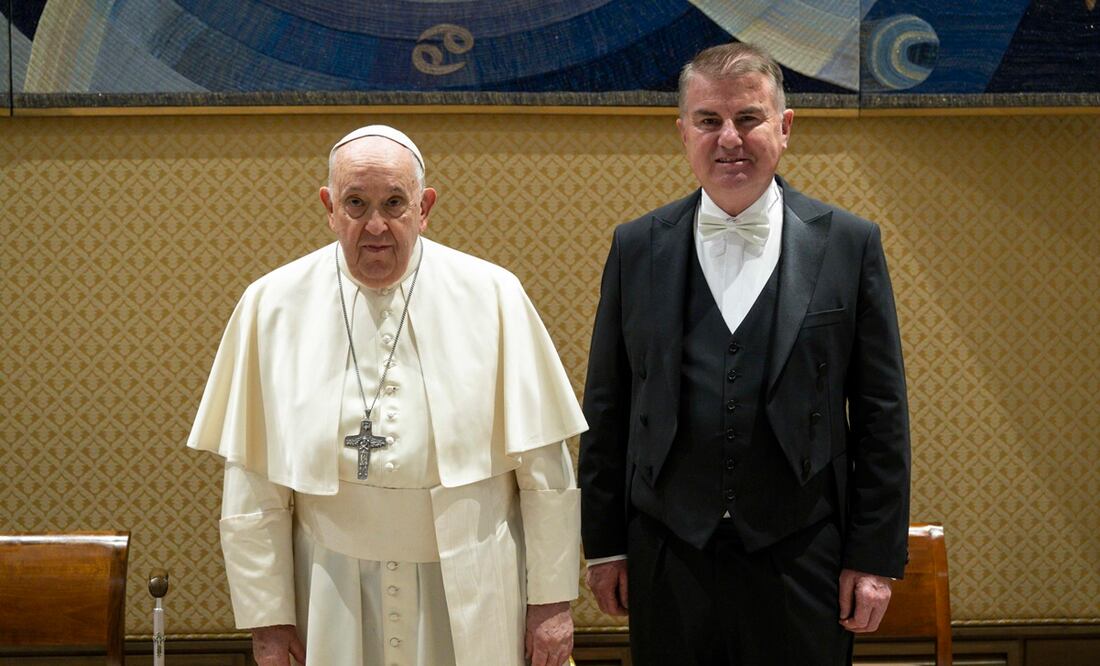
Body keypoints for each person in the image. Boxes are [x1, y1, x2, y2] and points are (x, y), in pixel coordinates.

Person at [188, 125, 587, 666]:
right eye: (356, 203)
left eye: (394, 203)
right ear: (329, 207)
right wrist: (268, 621)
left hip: (474, 584)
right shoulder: (272, 306)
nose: (375, 225)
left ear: (425, 208)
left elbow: (547, 473)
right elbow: (253, 485)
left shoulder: (493, 295)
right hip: (327, 589)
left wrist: (552, 604)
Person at [578, 42, 911, 665]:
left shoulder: (850, 244)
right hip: (666, 551)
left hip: (804, 553)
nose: (729, 138)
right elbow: (608, 405)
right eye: (708, 121)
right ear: (683, 133)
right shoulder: (636, 247)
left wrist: (872, 558)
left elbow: (880, 416)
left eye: (748, 118)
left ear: (784, 128)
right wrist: (604, 547)